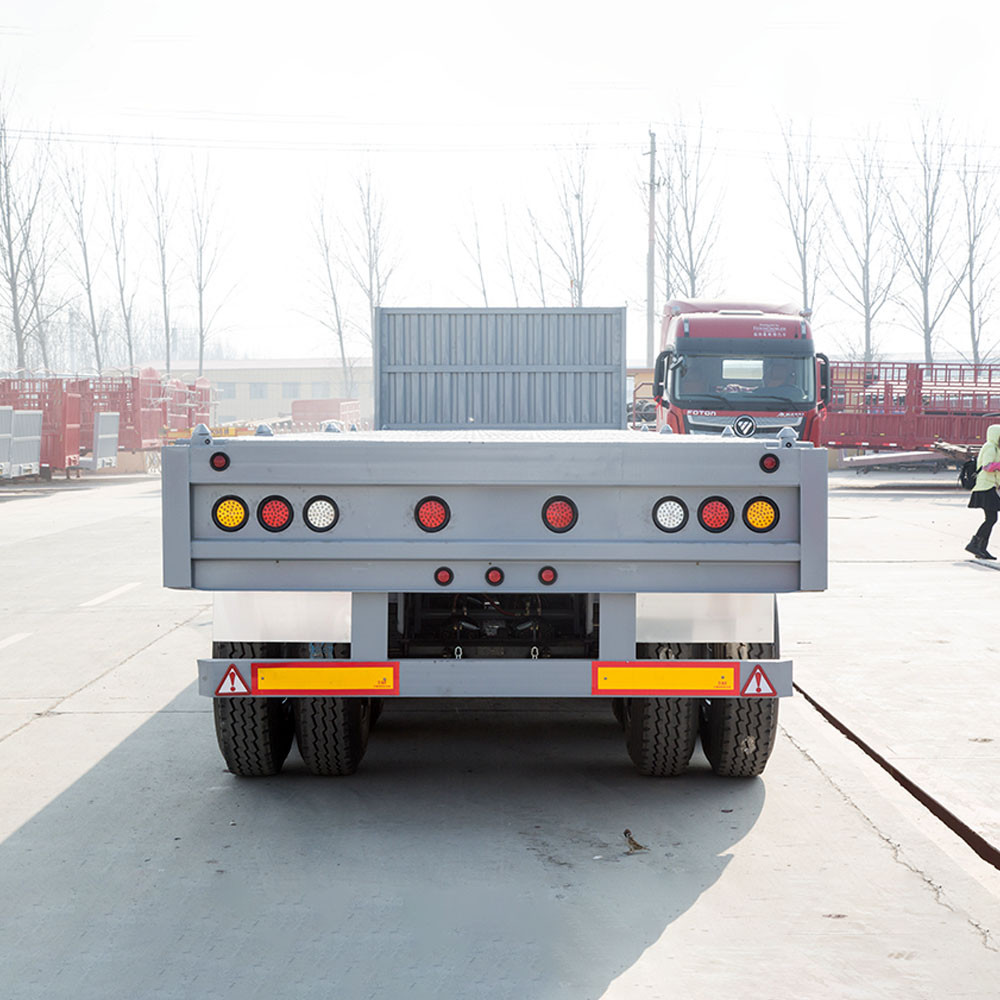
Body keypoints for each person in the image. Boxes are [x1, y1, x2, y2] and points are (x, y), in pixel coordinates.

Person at [966, 424, 1000, 560]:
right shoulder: (990, 447)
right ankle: (975, 545)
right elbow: (987, 466)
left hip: (989, 486)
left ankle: (980, 548)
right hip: (985, 487)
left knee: (991, 518)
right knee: (991, 518)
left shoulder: (996, 448)